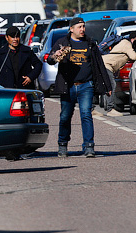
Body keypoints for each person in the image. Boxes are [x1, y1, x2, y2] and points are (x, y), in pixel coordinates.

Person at [47, 17, 112, 158]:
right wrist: (55, 55)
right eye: (79, 27)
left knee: (86, 115)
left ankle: (89, 146)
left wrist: (107, 85)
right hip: (68, 86)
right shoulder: (62, 43)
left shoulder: (90, 44)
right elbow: (50, 60)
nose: (82, 29)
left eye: (83, 26)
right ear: (71, 29)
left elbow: (99, 65)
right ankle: (62, 144)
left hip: (86, 86)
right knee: (65, 116)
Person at [101, 31, 136, 114]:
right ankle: (110, 109)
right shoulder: (127, 43)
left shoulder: (125, 43)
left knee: (106, 86)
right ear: (132, 39)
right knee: (111, 85)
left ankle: (93, 109)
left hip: (105, 64)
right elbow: (133, 56)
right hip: (106, 65)